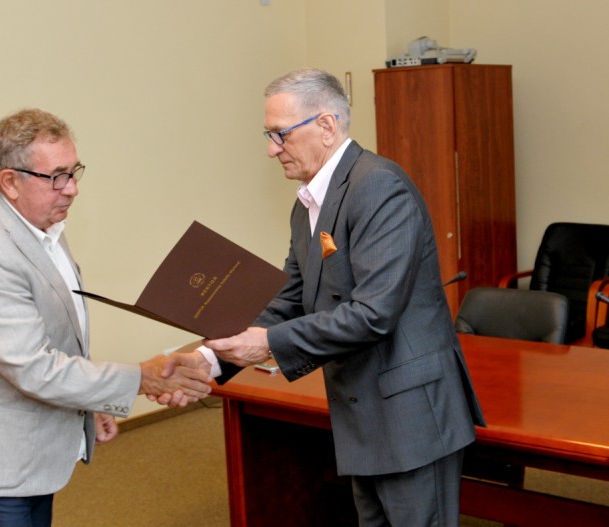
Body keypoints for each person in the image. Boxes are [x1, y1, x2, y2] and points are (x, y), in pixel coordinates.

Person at [203, 68, 486, 526]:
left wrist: (268, 343)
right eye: (269, 135)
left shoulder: (378, 185)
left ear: (326, 126)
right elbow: (291, 297)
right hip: (362, 411)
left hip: (410, 414)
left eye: (280, 134)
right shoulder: (307, 204)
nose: (272, 149)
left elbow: (373, 313)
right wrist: (210, 360)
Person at [0, 108, 212, 527]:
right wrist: (142, 378)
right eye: (56, 177)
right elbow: (32, 366)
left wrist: (90, 400)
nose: (71, 189)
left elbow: (56, 332)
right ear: (10, 181)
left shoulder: (39, 223)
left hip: (29, 445)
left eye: (73, 172)